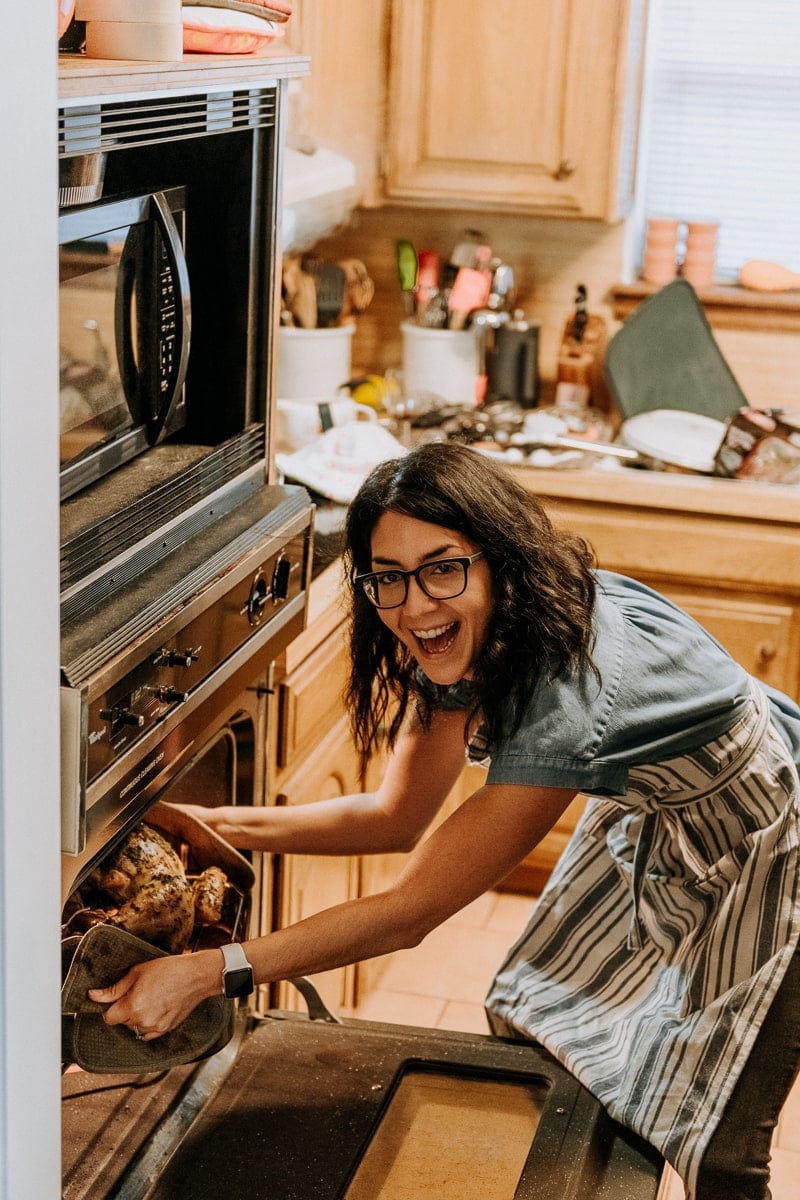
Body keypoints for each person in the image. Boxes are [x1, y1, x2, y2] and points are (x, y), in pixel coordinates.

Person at [90, 441, 800, 1200]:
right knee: (539, 1026)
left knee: (719, 1142)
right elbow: (394, 817)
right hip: (664, 825)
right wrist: (210, 821)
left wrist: (209, 972)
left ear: (499, 558)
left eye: (441, 567)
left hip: (773, 846)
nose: (414, 605)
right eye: (386, 579)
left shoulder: (566, 700)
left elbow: (411, 912)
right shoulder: (472, 637)